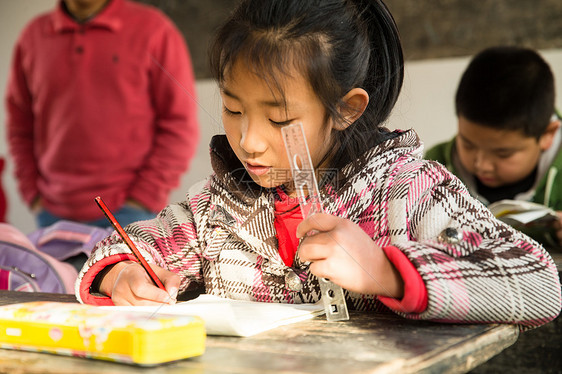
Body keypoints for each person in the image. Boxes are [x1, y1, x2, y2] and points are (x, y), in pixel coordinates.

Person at [76, 0, 561, 330]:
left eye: (280, 117)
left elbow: (538, 286)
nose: (249, 141)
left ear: (346, 109)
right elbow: (132, 244)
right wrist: (120, 276)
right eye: (233, 108)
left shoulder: (408, 193)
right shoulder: (216, 207)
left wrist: (387, 273)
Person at [6, 0, 199, 229]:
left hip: (129, 212)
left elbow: (180, 123)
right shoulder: (33, 36)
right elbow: (19, 124)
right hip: (51, 214)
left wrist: (144, 196)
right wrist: (33, 193)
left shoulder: (154, 30)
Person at [425, 46, 562, 244]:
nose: (482, 164)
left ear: (547, 135)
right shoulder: (435, 168)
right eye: (468, 144)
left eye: (503, 154)